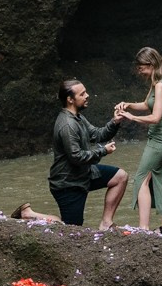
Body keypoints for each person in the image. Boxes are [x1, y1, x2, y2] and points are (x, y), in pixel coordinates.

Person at [113, 47, 162, 234]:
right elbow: (145, 104)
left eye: (141, 67)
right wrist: (129, 104)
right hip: (161, 137)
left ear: (151, 64)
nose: (139, 71)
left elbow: (156, 117)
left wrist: (131, 117)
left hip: (160, 138)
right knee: (161, 178)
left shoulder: (161, 85)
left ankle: (143, 228)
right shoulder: (159, 81)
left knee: (141, 179)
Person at [49, 78, 128, 228]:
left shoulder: (78, 117)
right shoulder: (68, 124)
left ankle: (106, 222)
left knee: (120, 177)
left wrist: (115, 122)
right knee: (71, 228)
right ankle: (30, 214)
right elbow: (76, 157)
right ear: (70, 99)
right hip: (68, 183)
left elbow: (97, 135)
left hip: (84, 174)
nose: (87, 96)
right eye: (82, 94)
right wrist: (103, 151)